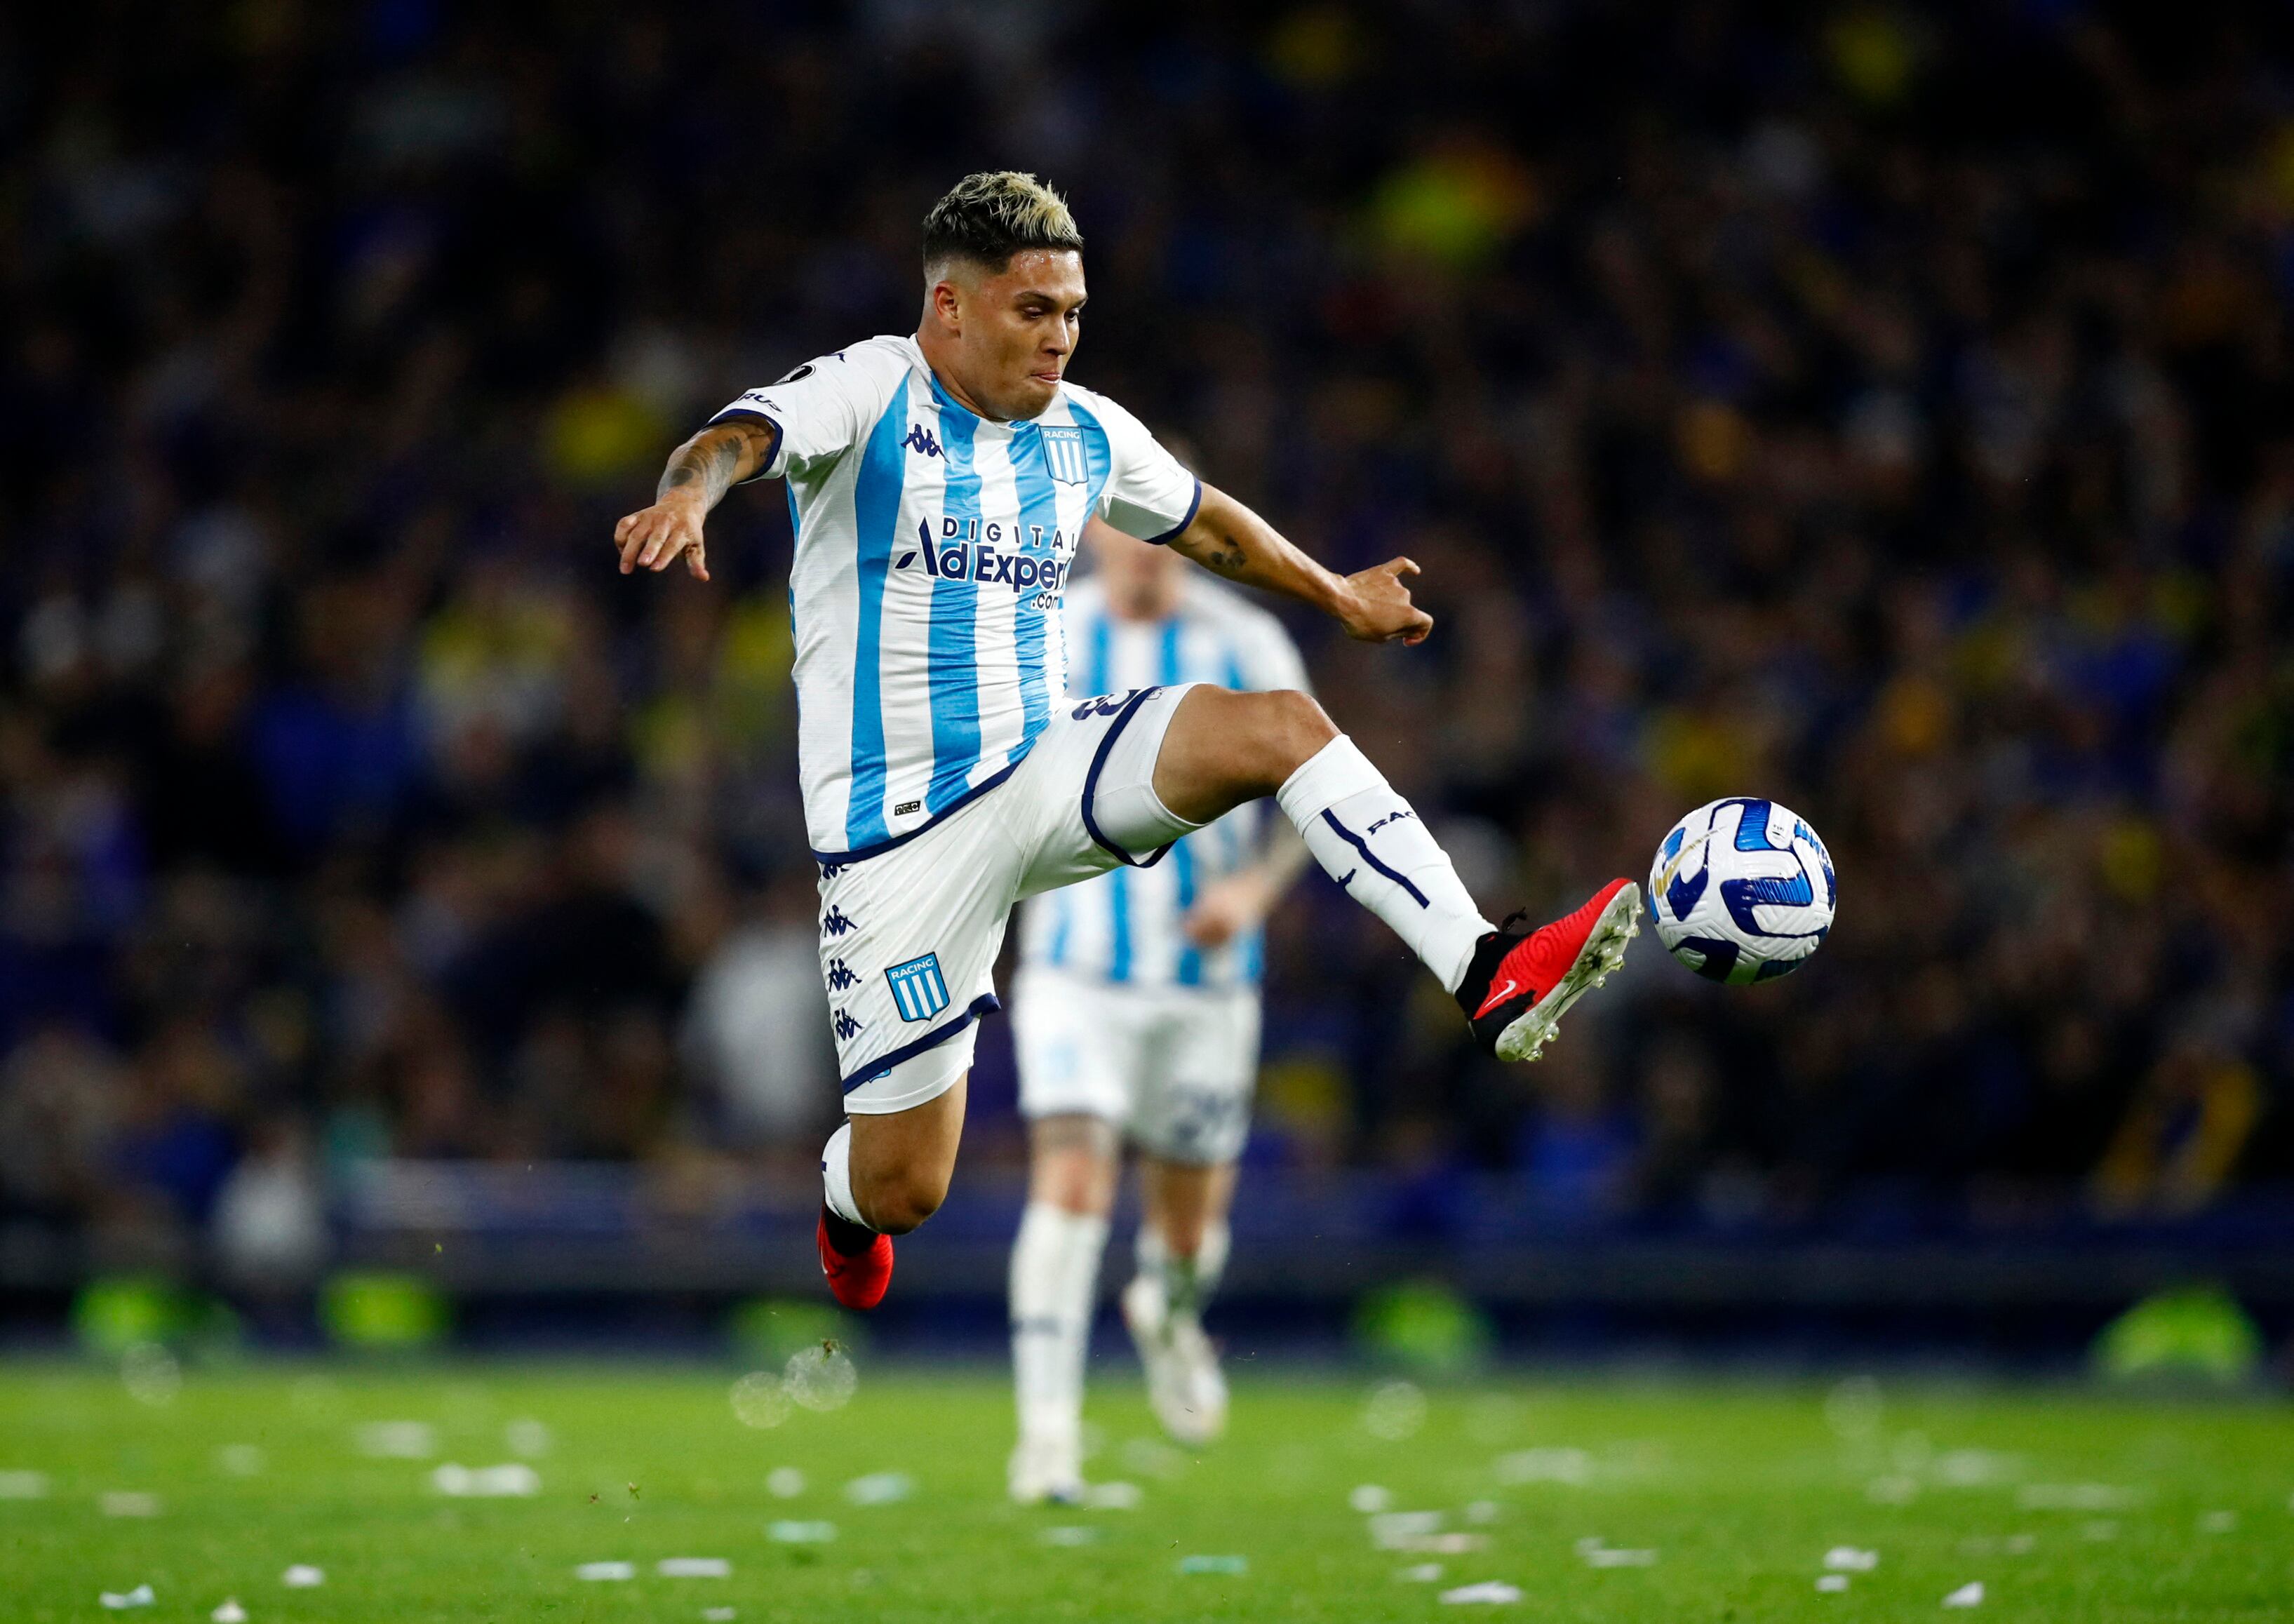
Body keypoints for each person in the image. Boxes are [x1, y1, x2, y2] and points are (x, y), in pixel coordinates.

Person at [610, 171, 1639, 1317]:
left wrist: (1335, 596)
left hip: (1045, 768)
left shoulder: (1086, 430)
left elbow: (1202, 520)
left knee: (1280, 727)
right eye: (1032, 310)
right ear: (949, 308)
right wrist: (690, 498)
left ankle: (1487, 969)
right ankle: (842, 1207)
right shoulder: (868, 388)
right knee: (906, 1186)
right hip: (895, 842)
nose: (1060, 338)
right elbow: (738, 436)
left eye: (1073, 312)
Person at [1005, 516, 1313, 1503]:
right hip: (1071, 969)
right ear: (1090, 534)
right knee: (1070, 1184)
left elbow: (1316, 794)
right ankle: (1045, 1441)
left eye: (1159, 533)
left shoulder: (1246, 645)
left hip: (1205, 986)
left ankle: (1169, 1317)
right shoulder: (1042, 634)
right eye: (1123, 531)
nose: (1143, 549)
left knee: (1185, 1237)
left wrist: (1253, 895)